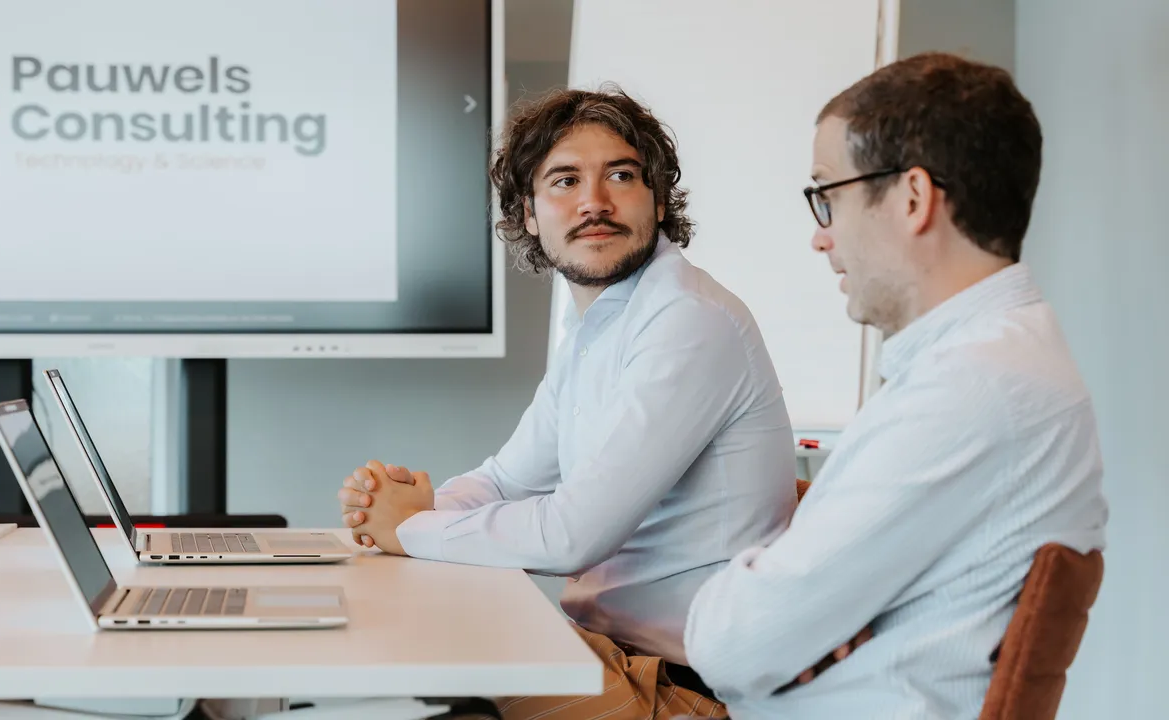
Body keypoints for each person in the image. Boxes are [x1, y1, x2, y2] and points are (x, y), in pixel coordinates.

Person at [338, 86, 797, 719]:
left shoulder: (689, 321)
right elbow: (508, 478)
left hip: (683, 692)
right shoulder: (597, 328)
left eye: (621, 175)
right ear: (529, 213)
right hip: (612, 658)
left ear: (658, 200)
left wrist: (411, 528)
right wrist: (414, 509)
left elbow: (572, 537)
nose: (593, 202)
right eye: (564, 181)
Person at [683, 52, 1109, 718]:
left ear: (912, 198)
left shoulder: (968, 390)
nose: (821, 237)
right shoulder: (1001, 360)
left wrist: (778, 584)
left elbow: (727, 645)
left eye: (829, 195)